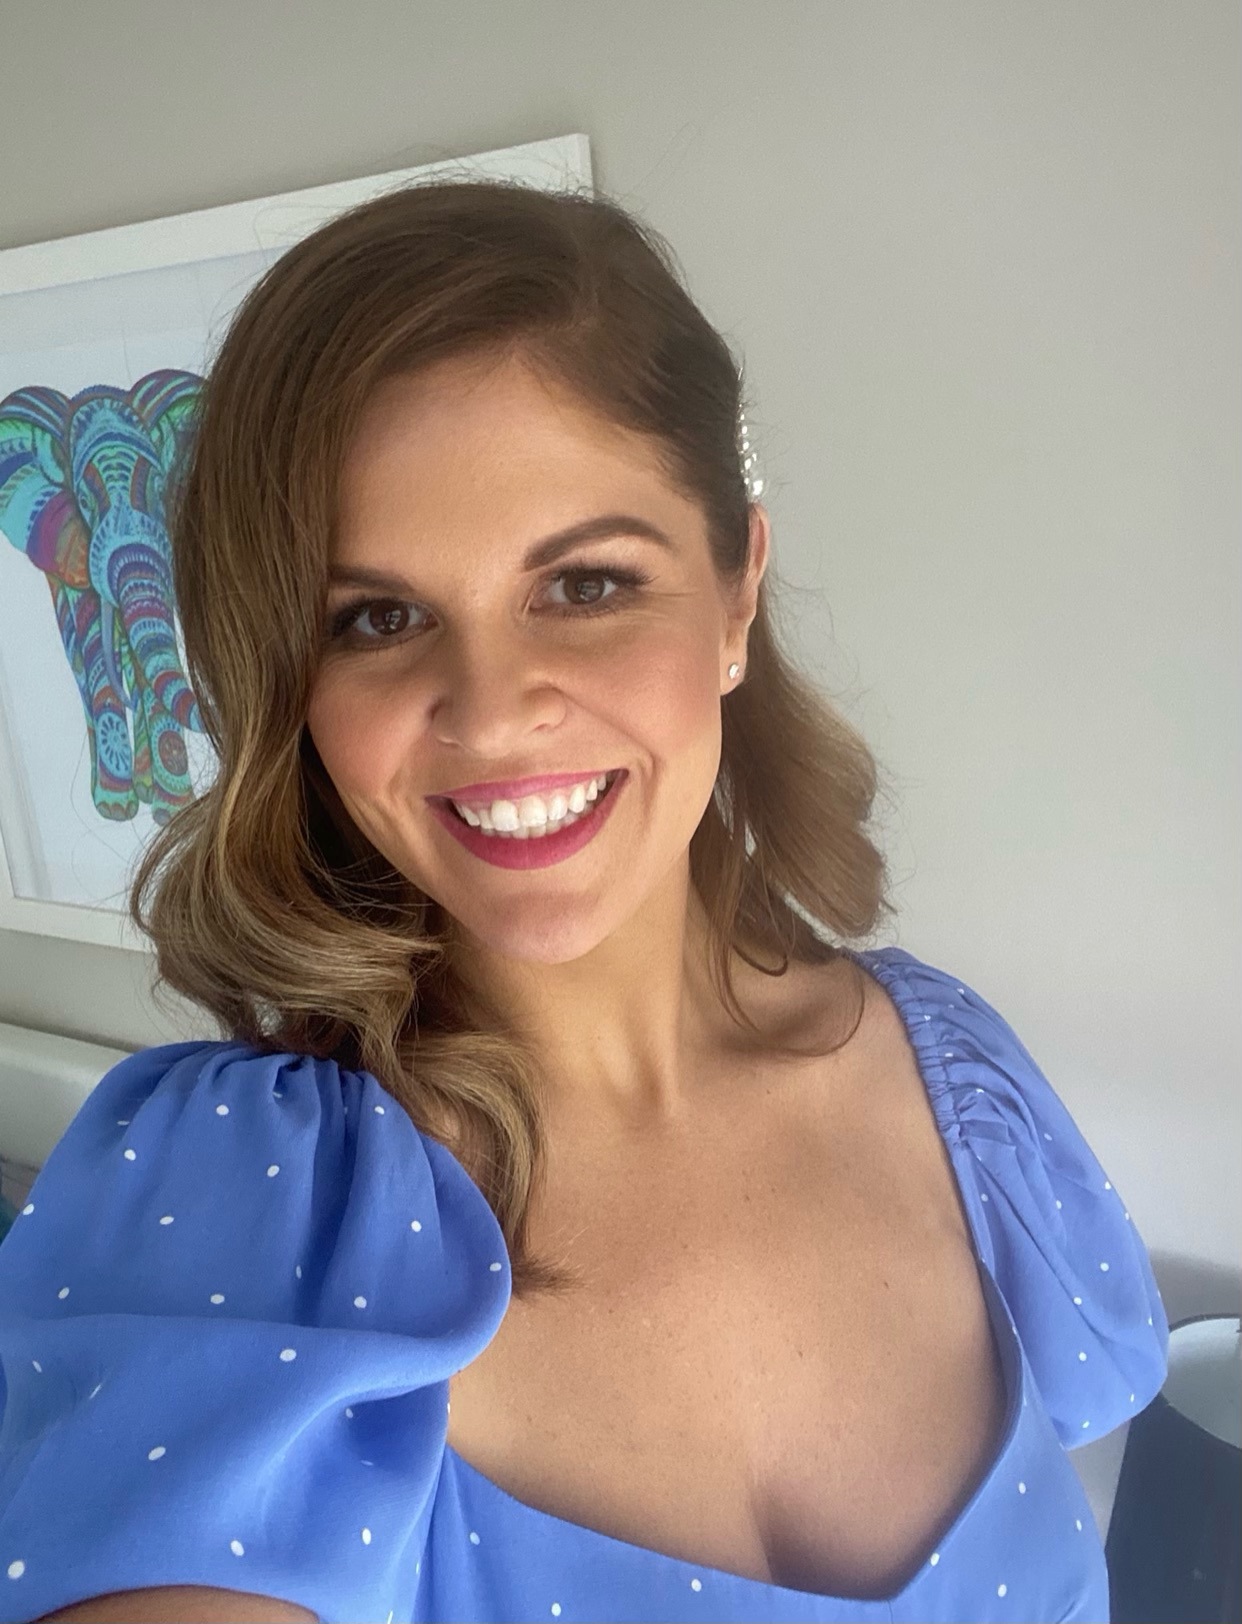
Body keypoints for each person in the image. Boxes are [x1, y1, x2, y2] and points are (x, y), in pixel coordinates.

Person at [0, 179, 1168, 1624]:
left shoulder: (959, 1089)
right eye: (376, 618)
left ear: (736, 595)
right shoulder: (253, 1203)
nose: (492, 713)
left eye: (586, 585)